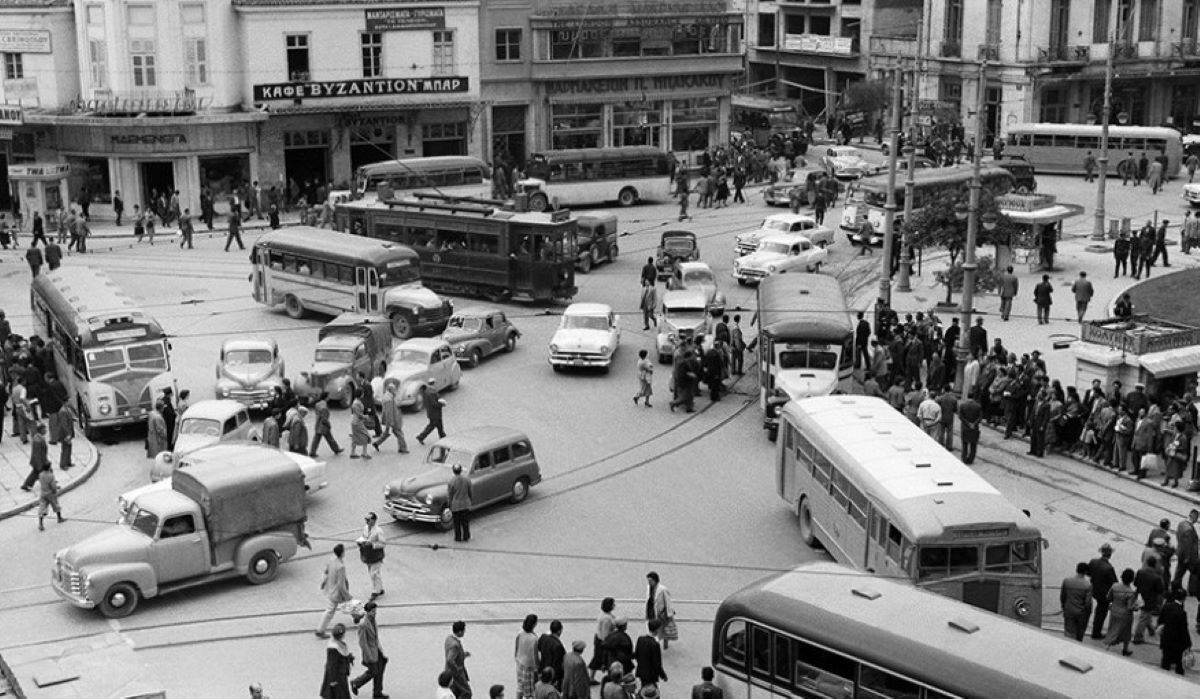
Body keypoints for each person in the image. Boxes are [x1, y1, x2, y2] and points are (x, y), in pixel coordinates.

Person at [316, 544, 358, 638]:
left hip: (331, 588)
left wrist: (323, 582)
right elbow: (341, 584)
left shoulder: (332, 560)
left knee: (340, 606)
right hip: (337, 592)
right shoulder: (341, 567)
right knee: (346, 604)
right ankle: (320, 630)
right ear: (342, 553)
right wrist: (347, 595)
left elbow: (326, 571)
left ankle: (320, 629)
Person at [350, 601, 388, 698]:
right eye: (372, 611)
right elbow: (363, 643)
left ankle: (377, 692)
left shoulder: (373, 620)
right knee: (374, 671)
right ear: (367, 612)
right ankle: (356, 683)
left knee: (380, 668)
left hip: (377, 651)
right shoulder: (363, 625)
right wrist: (369, 656)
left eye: (375, 611)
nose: (375, 613)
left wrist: (381, 651)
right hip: (370, 653)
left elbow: (375, 638)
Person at [1158, 587, 1192, 675]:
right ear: (1184, 599)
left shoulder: (1166, 606)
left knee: (1165, 660)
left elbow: (1160, 621)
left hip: (1166, 638)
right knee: (1179, 663)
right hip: (1177, 642)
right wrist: (1188, 643)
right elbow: (1184, 630)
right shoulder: (1182, 612)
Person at [1088, 543, 1119, 639]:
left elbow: (1088, 573)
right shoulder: (1109, 568)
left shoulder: (1093, 561)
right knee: (1101, 613)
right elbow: (1114, 583)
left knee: (1098, 612)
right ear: (1110, 555)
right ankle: (1096, 633)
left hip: (1094, 590)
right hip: (1104, 595)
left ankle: (1095, 629)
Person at [1105, 568, 1138, 656]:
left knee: (1113, 628)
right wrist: (1137, 607)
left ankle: (1109, 643)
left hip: (1114, 611)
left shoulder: (1114, 586)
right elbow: (1130, 606)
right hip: (1125, 615)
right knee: (1126, 632)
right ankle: (1125, 649)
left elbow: (1108, 598)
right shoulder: (1130, 592)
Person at [1133, 555, 1165, 644]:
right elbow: (1160, 590)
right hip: (1150, 599)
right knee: (1144, 617)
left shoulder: (1140, 572)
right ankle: (1138, 636)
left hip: (1140, 596)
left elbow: (1135, 583)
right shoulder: (1157, 577)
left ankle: (1150, 629)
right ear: (1155, 565)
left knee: (1146, 615)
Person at [320, 623, 354, 699]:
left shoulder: (338, 643)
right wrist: (333, 680)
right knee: (338, 694)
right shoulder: (333, 648)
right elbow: (332, 665)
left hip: (341, 673)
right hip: (337, 675)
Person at [1061, 562, 1093, 641]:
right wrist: (1088, 613)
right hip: (1081, 613)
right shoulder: (1088, 585)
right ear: (1085, 572)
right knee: (1079, 633)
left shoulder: (1067, 581)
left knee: (1068, 631)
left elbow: (1063, 596)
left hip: (1068, 610)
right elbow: (1088, 603)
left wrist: (1063, 607)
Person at [357, 511, 385, 601]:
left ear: (373, 520)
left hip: (376, 555)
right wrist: (360, 541)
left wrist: (372, 545)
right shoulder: (365, 528)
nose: (366, 521)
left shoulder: (378, 531)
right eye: (366, 519)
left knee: (374, 574)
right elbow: (363, 537)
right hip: (367, 554)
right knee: (374, 573)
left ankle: (375, 592)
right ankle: (379, 588)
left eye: (368, 520)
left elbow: (383, 544)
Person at [633, 620, 667, 690]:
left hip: (641, 671)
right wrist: (663, 675)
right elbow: (657, 664)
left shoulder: (640, 639)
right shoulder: (655, 644)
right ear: (657, 630)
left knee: (643, 688)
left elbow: (636, 655)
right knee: (650, 691)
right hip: (651, 674)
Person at [645, 572, 676, 649]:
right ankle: (654, 642)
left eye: (650, 580)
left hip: (660, 612)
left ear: (655, 580)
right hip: (651, 609)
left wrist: (669, 614)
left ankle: (665, 643)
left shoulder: (663, 589)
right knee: (652, 626)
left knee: (663, 628)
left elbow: (668, 602)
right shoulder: (649, 587)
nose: (649, 582)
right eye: (648, 580)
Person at [589, 598, 617, 683]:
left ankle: (591, 677)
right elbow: (605, 634)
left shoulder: (605, 615)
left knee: (597, 658)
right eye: (613, 604)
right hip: (603, 641)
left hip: (599, 639)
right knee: (605, 659)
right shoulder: (607, 619)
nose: (614, 605)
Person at [374, 384, 407, 453]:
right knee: (399, 433)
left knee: (386, 433)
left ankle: (377, 443)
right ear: (391, 390)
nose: (395, 391)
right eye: (394, 389)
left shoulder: (387, 396)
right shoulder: (389, 399)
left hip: (390, 419)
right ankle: (403, 448)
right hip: (393, 419)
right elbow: (389, 412)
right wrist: (391, 422)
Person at [444, 620, 472, 699]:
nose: (464, 632)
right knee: (467, 692)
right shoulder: (455, 645)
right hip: (456, 674)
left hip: (450, 673)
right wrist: (457, 672)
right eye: (464, 630)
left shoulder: (449, 639)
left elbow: (452, 655)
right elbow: (450, 660)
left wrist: (463, 655)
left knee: (455, 692)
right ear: (459, 632)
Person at [36, 458, 65, 531]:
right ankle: (59, 518)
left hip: (43, 493)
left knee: (42, 508)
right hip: (50, 493)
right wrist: (55, 490)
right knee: (55, 505)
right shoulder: (50, 475)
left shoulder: (40, 474)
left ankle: (41, 524)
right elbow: (53, 486)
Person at [515, 615, 540, 699]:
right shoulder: (534, 638)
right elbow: (535, 655)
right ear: (534, 624)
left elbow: (516, 647)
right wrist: (537, 667)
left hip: (520, 662)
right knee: (529, 691)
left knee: (520, 687)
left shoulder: (520, 633)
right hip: (529, 666)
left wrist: (516, 658)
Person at [448, 463, 473, 543]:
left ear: (453, 471)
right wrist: (470, 500)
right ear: (461, 470)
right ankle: (466, 536)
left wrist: (450, 504)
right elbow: (470, 492)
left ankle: (458, 537)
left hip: (456, 505)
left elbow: (450, 495)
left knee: (457, 523)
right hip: (465, 503)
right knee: (465, 522)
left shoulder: (451, 481)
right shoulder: (467, 479)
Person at [536, 620, 566, 687]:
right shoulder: (558, 646)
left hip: (542, 669)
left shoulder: (543, 637)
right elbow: (557, 665)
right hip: (550, 675)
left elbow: (538, 649)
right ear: (559, 631)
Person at [1176, 510, 1200, 592]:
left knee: (1179, 572)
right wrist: (1187, 558)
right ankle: (1192, 590)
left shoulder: (1181, 524)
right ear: (1193, 517)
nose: (1197, 520)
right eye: (1197, 518)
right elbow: (1187, 545)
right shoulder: (1189, 529)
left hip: (1180, 552)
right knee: (1195, 571)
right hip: (1188, 557)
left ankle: (1176, 586)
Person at [958, 391, 982, 464]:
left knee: (964, 444)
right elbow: (980, 417)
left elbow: (960, 416)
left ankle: (964, 458)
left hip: (965, 427)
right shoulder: (978, 406)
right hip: (974, 428)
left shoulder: (962, 405)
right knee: (973, 444)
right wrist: (974, 424)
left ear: (967, 397)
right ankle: (971, 459)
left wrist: (968, 423)